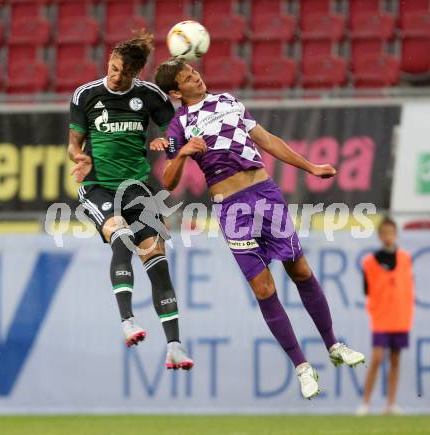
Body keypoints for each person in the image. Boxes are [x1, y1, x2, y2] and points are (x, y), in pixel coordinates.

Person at [151, 59, 364, 399]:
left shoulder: (229, 101)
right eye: (188, 77)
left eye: (195, 71)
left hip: (265, 194)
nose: (197, 76)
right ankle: (302, 367)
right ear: (176, 92)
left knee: (300, 269)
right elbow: (167, 181)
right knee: (264, 289)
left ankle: (334, 345)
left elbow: (267, 140)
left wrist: (310, 167)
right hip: (232, 209)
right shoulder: (179, 126)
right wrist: (182, 155)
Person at [68, 31, 193, 370]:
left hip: (137, 189)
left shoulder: (150, 96)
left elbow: (176, 134)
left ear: (136, 73)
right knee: (121, 237)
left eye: (123, 72)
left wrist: (165, 145)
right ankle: (128, 322)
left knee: (158, 260)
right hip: (97, 187)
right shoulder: (86, 95)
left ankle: (175, 346)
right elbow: (73, 145)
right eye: (112, 68)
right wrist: (79, 157)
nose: (115, 76)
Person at [357, 217, 414, 415]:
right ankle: (365, 402)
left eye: (392, 232)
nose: (389, 236)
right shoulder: (370, 262)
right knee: (377, 358)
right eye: (385, 232)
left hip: (400, 316)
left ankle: (390, 403)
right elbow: (367, 289)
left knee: (396, 359)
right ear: (380, 236)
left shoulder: (405, 258)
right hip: (381, 316)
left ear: (395, 234)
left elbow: (407, 287)